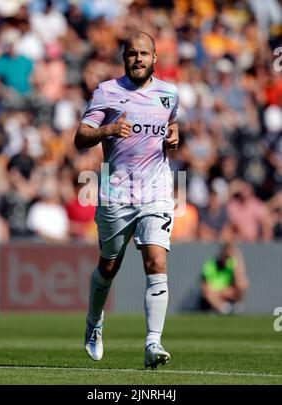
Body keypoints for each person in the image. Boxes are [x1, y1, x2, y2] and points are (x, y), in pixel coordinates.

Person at [74, 31, 179, 369]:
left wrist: (175, 137)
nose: (138, 59)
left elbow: (171, 128)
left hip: (157, 192)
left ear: (155, 58)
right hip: (116, 193)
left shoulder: (169, 94)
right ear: (124, 57)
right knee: (108, 266)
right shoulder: (107, 92)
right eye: (132, 53)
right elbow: (80, 137)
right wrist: (107, 130)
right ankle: (93, 323)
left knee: (156, 262)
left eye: (144, 53)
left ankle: (153, 343)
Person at [200, 243, 249, 314]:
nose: (226, 258)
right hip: (215, 293)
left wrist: (237, 257)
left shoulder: (231, 264)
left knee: (243, 283)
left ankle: (236, 307)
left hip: (228, 291)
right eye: (225, 255)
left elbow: (240, 278)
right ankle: (225, 309)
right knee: (208, 292)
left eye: (228, 256)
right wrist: (219, 291)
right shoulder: (210, 265)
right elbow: (205, 286)